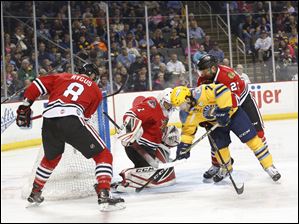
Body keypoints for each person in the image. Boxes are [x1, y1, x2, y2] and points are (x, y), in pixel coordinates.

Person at [15, 64, 125, 211]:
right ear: (93, 76)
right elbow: (85, 118)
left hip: (49, 119)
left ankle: (35, 193)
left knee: (51, 158)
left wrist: (24, 107)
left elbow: (37, 84)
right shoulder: (96, 90)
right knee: (103, 155)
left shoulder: (63, 76)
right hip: (72, 119)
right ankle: (104, 195)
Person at [170, 85, 281, 183]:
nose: (181, 108)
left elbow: (223, 90)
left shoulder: (202, 92)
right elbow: (188, 132)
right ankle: (226, 168)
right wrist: (184, 146)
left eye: (182, 104)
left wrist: (223, 111)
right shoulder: (186, 114)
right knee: (220, 149)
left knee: (252, 140)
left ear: (188, 98)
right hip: (215, 125)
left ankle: (269, 166)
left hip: (233, 115)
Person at [196, 54, 267, 180]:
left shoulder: (227, 74)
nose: (201, 74)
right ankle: (217, 164)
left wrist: (224, 113)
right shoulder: (202, 79)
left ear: (213, 68)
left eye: (204, 71)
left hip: (243, 102)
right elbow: (201, 98)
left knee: (259, 134)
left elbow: (236, 98)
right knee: (215, 139)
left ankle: (266, 162)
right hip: (220, 105)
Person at [112, 88, 180, 192]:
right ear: (162, 100)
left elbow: (157, 128)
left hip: (151, 148)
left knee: (164, 173)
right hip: (138, 147)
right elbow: (131, 114)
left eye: (172, 106)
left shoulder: (165, 111)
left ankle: (137, 173)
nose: (170, 108)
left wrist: (168, 135)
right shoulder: (152, 105)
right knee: (155, 173)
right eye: (168, 104)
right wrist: (129, 130)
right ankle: (127, 177)